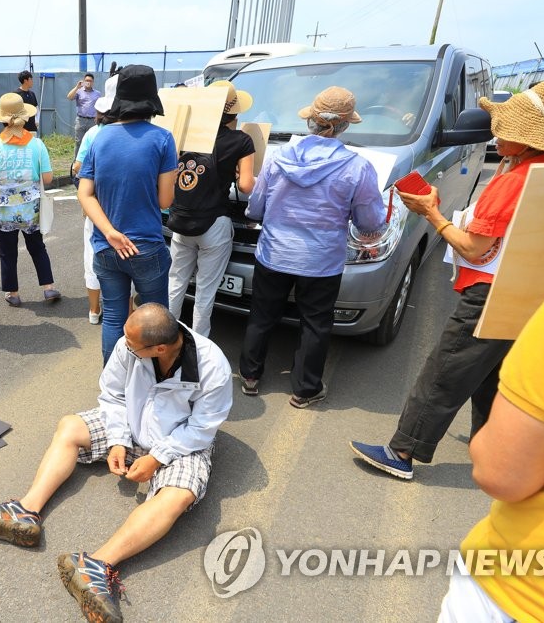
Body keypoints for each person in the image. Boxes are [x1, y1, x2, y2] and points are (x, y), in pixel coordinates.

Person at [351, 80, 544, 479]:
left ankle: (402, 452)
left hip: (489, 293)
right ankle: (495, 450)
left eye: (507, 129)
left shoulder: (513, 180)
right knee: (493, 377)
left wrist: (430, 213)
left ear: (528, 141)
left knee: (446, 372)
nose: (496, 134)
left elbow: (473, 248)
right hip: (527, 291)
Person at [0, 303, 232, 623]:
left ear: (160, 348)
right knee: (70, 426)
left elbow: (202, 428)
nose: (123, 344)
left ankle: (96, 565)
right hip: (130, 426)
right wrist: (119, 439)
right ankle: (25, 512)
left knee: (178, 496)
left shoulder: (213, 366)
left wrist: (157, 457)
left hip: (179, 442)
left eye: (132, 345)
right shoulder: (130, 343)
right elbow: (113, 394)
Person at [238, 86, 386, 408]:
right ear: (344, 126)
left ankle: (249, 376)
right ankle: (305, 390)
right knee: (316, 324)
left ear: (311, 121)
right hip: (321, 261)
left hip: (274, 253)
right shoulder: (357, 167)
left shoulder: (278, 158)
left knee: (262, 316)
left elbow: (256, 207)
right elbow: (370, 223)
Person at [438, 287, 544, 622]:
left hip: (526, 589)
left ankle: (405, 449)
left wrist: (441, 229)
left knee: (454, 378)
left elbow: (499, 473)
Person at [77, 65, 178, 364]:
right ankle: (153, 383)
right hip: (146, 247)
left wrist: (109, 231)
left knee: (113, 319)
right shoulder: (163, 139)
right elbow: (164, 200)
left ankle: (114, 385)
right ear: (151, 98)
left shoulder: (99, 137)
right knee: (156, 324)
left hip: (107, 247)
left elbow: (85, 193)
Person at [166, 81, 256, 337]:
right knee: (205, 292)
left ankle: (167, 336)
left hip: (181, 221)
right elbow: (246, 185)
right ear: (235, 113)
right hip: (214, 224)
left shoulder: (184, 134)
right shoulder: (242, 140)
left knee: (175, 284)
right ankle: (198, 345)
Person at [0, 93, 61, 306]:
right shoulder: (37, 144)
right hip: (30, 209)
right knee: (37, 247)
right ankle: (48, 288)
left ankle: (13, 293)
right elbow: (48, 178)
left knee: (7, 252)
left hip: (4, 211)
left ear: (2, 119)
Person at [70, 75, 117, 325]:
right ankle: (124, 311)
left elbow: (78, 167)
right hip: (122, 207)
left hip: (95, 205)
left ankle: (93, 310)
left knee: (92, 256)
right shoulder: (136, 135)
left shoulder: (92, 135)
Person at [67, 72, 102, 156]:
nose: (88, 82)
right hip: (81, 120)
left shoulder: (97, 93)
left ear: (93, 82)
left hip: (92, 121)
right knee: (79, 142)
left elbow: (99, 107)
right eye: (86, 80)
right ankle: (77, 163)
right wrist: (77, 87)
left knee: (92, 141)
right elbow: (69, 97)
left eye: (90, 80)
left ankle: (91, 162)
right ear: (83, 81)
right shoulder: (79, 91)